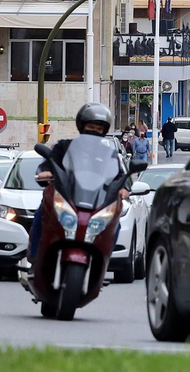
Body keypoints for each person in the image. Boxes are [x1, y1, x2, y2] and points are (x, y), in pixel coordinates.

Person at [26, 103, 128, 269]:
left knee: (115, 224)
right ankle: (35, 255)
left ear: (104, 130)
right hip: (67, 198)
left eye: (98, 128)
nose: (94, 131)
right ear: (82, 126)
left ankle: (103, 261)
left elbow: (120, 175)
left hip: (96, 202)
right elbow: (48, 163)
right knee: (42, 213)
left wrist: (124, 188)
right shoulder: (64, 147)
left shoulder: (110, 154)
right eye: (91, 126)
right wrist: (45, 172)